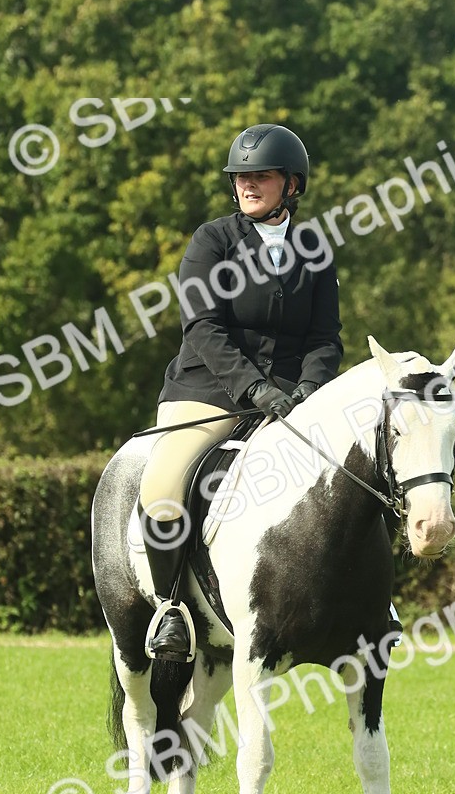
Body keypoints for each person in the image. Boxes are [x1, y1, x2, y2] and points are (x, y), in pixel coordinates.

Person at [139, 123, 344, 661]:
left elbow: (326, 338)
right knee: (162, 485)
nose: (249, 185)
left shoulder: (314, 249)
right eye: (241, 177)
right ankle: (169, 611)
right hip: (210, 389)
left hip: (294, 400)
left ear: (291, 185)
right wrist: (255, 389)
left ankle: (368, 605)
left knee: (364, 469)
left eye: (262, 176)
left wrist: (308, 390)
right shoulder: (212, 240)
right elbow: (203, 328)